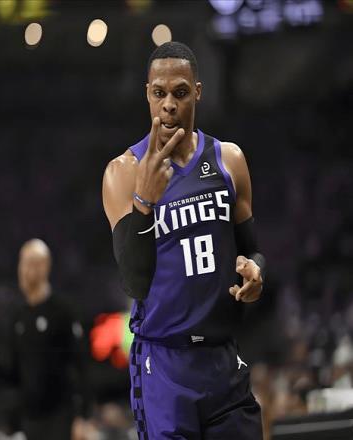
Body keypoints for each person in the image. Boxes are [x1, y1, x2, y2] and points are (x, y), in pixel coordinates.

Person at [102, 41, 266, 439]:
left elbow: (252, 250)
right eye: (159, 93)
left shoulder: (229, 160)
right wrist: (144, 202)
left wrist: (255, 271)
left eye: (180, 92)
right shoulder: (123, 172)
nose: (169, 105)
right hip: (164, 364)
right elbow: (134, 281)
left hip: (222, 356)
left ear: (197, 92)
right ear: (147, 94)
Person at [0, 239, 92, 440]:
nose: (24, 270)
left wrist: (82, 417)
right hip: (31, 420)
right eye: (22, 263)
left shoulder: (62, 311)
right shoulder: (18, 317)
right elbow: (16, 373)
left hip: (61, 417)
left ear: (45, 266)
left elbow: (81, 366)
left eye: (31, 263)